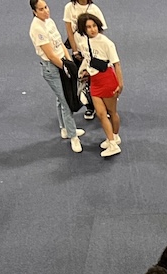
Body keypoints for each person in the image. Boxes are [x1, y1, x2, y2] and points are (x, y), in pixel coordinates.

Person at [29, 0, 84, 153]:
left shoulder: (50, 21)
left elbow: (59, 43)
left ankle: (65, 129)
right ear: (34, 11)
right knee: (66, 100)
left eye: (46, 7)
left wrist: (69, 61)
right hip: (52, 68)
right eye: (41, 9)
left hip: (62, 62)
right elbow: (50, 55)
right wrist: (66, 68)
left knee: (61, 98)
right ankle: (73, 137)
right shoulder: (36, 29)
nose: (46, 11)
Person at [76, 12, 123, 158]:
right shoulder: (84, 42)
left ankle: (115, 137)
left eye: (94, 26)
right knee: (101, 114)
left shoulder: (107, 43)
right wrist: (84, 72)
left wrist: (120, 84)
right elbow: (88, 59)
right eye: (88, 27)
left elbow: (116, 64)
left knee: (112, 112)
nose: (92, 29)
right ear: (84, 29)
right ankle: (112, 142)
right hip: (95, 82)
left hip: (108, 80)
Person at [63, 0, 107, 122]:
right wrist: (75, 51)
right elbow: (69, 32)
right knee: (83, 79)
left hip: (94, 52)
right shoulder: (69, 8)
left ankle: (104, 105)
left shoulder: (94, 9)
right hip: (79, 50)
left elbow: (100, 32)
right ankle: (90, 107)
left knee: (97, 78)